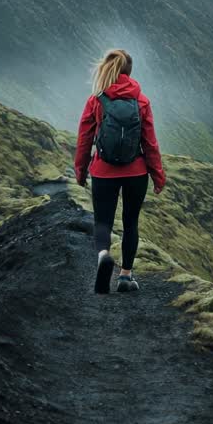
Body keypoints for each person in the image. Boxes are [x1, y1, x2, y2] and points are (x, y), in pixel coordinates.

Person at [75, 49, 166, 294]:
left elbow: (84, 139)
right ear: (129, 72)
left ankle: (104, 255)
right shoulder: (142, 101)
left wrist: (81, 172)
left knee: (103, 221)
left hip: (103, 171)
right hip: (136, 172)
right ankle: (125, 276)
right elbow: (150, 142)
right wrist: (157, 176)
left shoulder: (96, 99)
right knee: (130, 222)